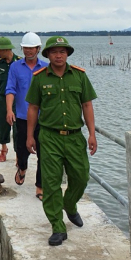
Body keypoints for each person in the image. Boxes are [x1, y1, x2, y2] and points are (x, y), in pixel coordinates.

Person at [26, 36, 97, 247]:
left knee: (81, 176)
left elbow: (87, 105)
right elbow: (33, 108)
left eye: (63, 51)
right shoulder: (39, 78)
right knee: (51, 182)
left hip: (75, 137)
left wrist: (92, 133)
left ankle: (70, 204)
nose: (59, 55)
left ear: (67, 54)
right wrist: (30, 136)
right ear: (47, 55)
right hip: (49, 137)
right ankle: (57, 226)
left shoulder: (79, 76)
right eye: (55, 52)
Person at [5, 32, 47, 199]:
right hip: (22, 117)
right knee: (22, 150)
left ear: (38, 49)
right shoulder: (15, 67)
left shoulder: (46, 67)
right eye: (26, 48)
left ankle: (40, 186)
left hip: (43, 119)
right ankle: (22, 168)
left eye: (32, 48)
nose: (28, 51)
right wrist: (9, 110)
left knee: (44, 152)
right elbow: (10, 89)